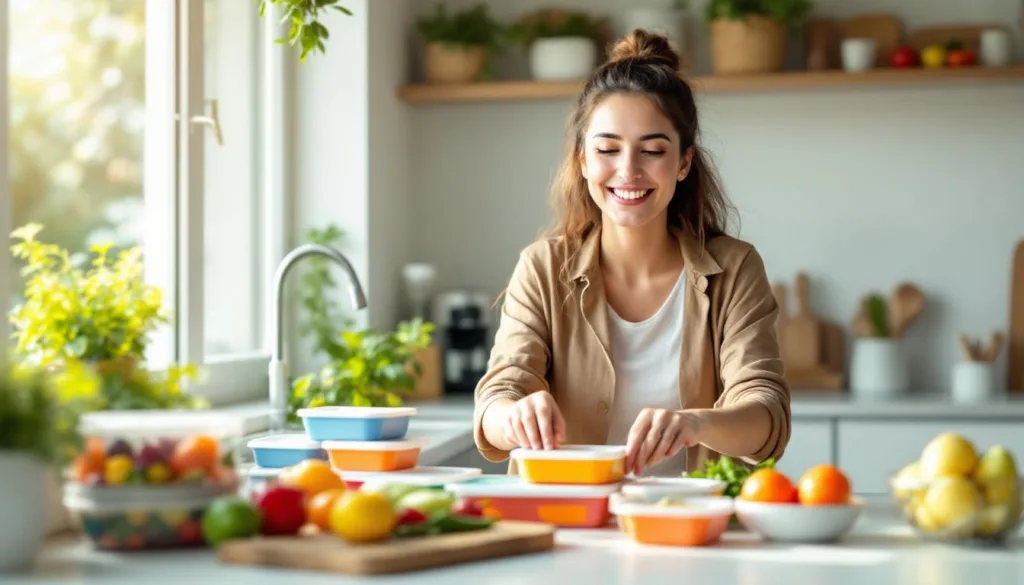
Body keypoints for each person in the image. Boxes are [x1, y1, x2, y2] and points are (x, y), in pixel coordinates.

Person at [472, 29, 791, 478]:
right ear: (582, 160)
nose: (628, 171)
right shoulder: (542, 267)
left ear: (683, 163)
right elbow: (498, 397)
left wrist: (695, 422)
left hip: (692, 525)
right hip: (567, 520)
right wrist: (513, 417)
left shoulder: (734, 269)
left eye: (653, 150)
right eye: (607, 149)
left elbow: (766, 414)